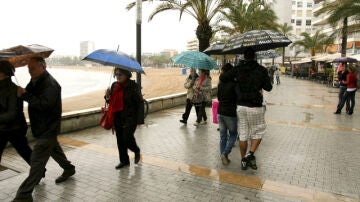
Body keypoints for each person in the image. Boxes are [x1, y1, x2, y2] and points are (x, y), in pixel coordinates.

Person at [14, 57, 76, 202]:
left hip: (48, 128)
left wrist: (24, 95)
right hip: (42, 127)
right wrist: (22, 92)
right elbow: (30, 95)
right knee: (54, 150)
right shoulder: (36, 81)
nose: (30, 71)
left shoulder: (50, 84)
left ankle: (24, 195)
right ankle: (69, 169)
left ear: (43, 67)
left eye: (33, 68)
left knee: (37, 161)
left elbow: (44, 104)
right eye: (29, 68)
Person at [220, 47, 272, 170]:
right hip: (255, 106)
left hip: (241, 106)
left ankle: (244, 160)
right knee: (258, 131)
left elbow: (223, 78)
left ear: (244, 56)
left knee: (243, 134)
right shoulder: (261, 70)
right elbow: (268, 87)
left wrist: (236, 79)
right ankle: (250, 154)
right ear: (254, 56)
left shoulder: (238, 69)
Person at [105, 68, 144, 169]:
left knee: (127, 138)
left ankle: (136, 150)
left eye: (120, 74)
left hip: (130, 118)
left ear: (127, 75)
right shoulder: (114, 86)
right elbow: (111, 102)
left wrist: (140, 120)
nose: (117, 76)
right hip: (117, 117)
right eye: (116, 74)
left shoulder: (133, 86)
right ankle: (124, 161)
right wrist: (107, 96)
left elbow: (140, 103)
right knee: (120, 141)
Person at [0, 61, 32, 165]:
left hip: (15, 128)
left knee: (25, 151)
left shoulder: (13, 89)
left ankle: (39, 170)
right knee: (25, 151)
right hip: (2, 127)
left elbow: (12, 113)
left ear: (3, 73)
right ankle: (39, 170)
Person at [217, 63, 237, 165]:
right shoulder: (234, 84)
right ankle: (225, 153)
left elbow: (219, 98)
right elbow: (238, 98)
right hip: (230, 113)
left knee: (223, 136)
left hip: (220, 112)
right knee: (233, 134)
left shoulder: (220, 84)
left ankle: (223, 156)